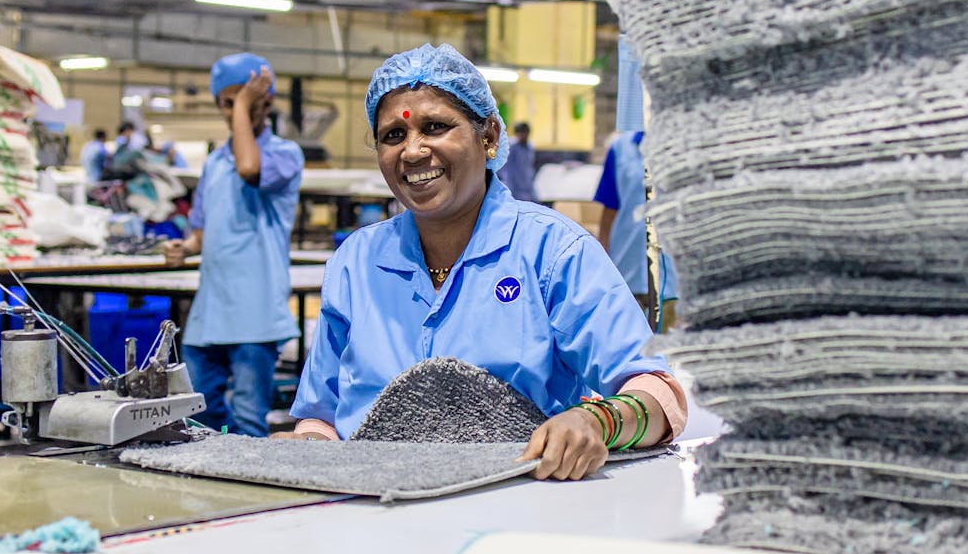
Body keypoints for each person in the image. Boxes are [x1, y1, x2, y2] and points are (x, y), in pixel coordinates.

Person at [280, 44, 686, 480]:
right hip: (375, 511)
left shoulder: (552, 251)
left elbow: (656, 393)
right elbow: (321, 416)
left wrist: (596, 422)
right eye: (393, 136)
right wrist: (305, 445)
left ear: (489, 136)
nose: (413, 151)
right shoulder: (355, 264)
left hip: (512, 509)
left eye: (435, 127)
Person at [162, 53, 303, 437]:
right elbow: (204, 230)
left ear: (266, 102)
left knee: (246, 420)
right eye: (227, 103)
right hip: (210, 312)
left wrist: (241, 106)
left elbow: (250, 168)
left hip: (255, 315)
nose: (235, 111)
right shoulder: (214, 163)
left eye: (244, 100)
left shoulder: (285, 155)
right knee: (196, 416)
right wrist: (186, 247)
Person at [594, 130, 678, 332]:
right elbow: (609, 213)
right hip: (626, 274)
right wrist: (602, 264)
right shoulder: (620, 148)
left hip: (673, 280)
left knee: (670, 356)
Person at [496, 121, 537, 201]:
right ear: (517, 134)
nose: (524, 136)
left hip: (526, 187)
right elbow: (502, 167)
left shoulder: (529, 146)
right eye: (521, 133)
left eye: (526, 133)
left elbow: (529, 166)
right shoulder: (510, 146)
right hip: (512, 186)